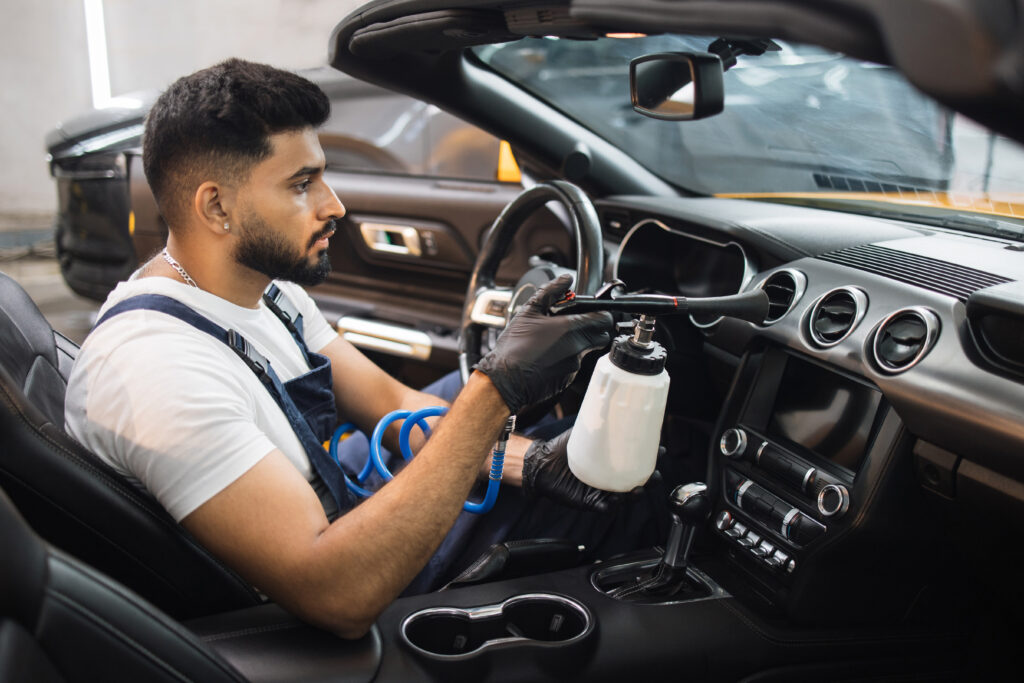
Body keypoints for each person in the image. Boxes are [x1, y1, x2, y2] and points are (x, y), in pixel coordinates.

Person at [64, 59, 644, 639]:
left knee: (515, 426)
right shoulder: (156, 371)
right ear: (216, 208)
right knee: (629, 501)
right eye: (301, 184)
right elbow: (336, 593)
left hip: (338, 491)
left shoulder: (267, 291)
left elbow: (387, 400)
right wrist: (499, 389)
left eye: (323, 176)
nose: (334, 205)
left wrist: (529, 463)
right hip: (349, 575)